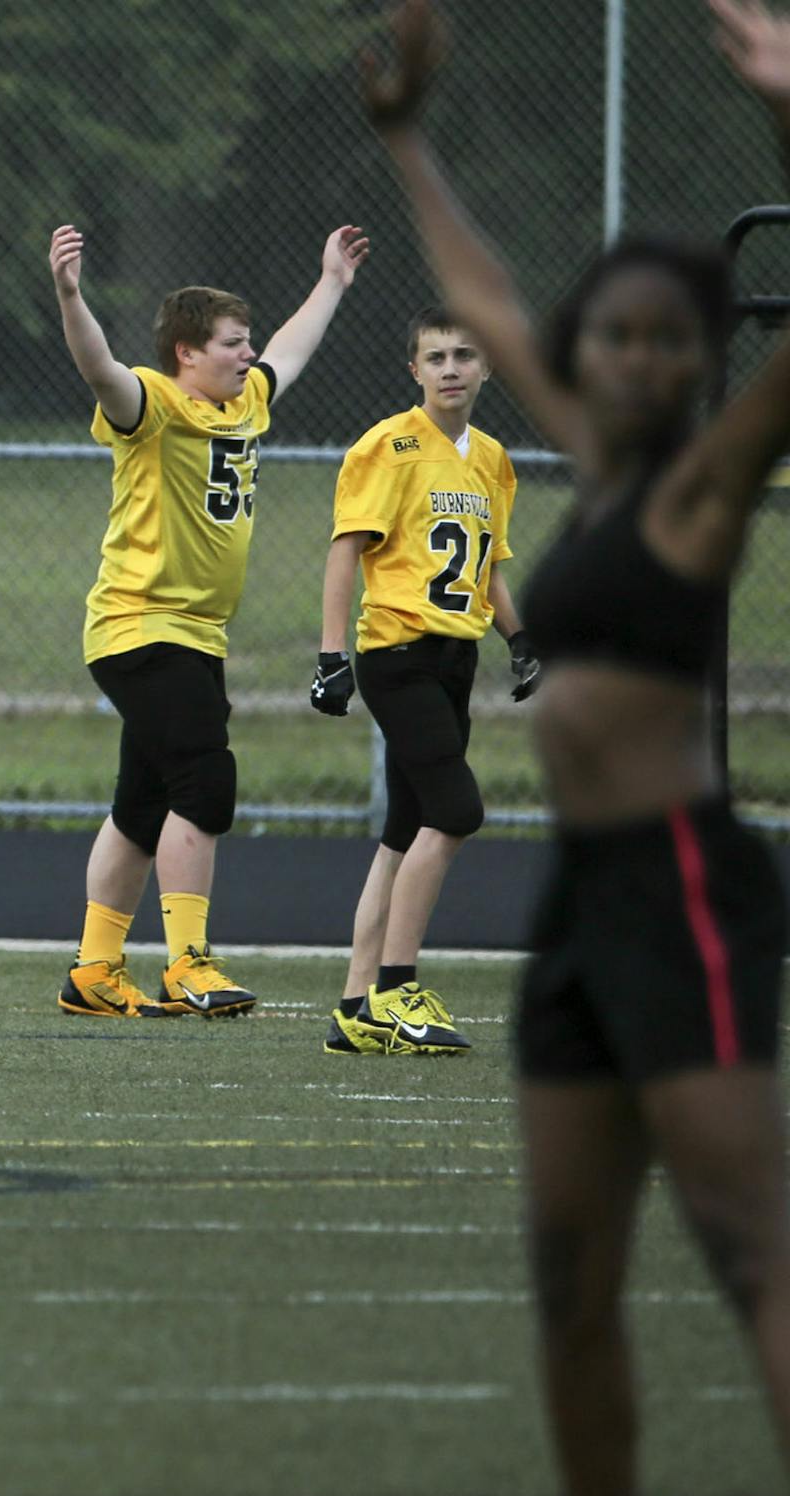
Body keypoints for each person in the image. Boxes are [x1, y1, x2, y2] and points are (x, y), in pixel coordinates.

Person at [366, 0, 790, 1488]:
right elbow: (481, 295)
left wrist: (789, 112)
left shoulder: (701, 487)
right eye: (613, 332)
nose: (635, 358)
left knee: (751, 1265)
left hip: (684, 887)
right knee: (570, 1296)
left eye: (669, 340)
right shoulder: (601, 469)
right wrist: (405, 136)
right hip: (586, 907)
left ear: (696, 364)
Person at [46, 216, 369, 1019]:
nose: (247, 353)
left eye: (246, 339)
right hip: (140, 623)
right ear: (187, 352)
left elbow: (290, 351)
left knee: (142, 802)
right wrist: (68, 295)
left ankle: (94, 970)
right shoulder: (154, 404)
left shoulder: (245, 402)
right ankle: (188, 960)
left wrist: (329, 282)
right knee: (205, 779)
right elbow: (98, 368)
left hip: (193, 632)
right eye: (231, 342)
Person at [310, 305, 540, 1055]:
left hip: (454, 659)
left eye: (464, 356)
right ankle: (396, 988)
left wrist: (519, 637)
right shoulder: (390, 445)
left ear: (486, 368)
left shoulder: (493, 459)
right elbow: (347, 550)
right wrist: (330, 653)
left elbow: (485, 564)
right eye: (435, 357)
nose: (450, 369)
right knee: (457, 811)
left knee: (404, 833)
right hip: (398, 654)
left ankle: (355, 1004)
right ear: (415, 370)